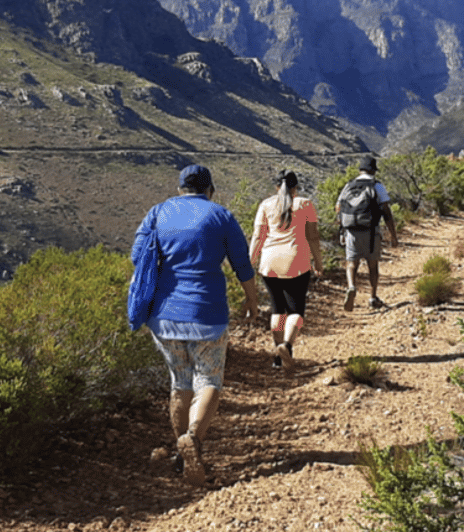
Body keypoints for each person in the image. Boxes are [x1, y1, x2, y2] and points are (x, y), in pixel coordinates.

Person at [132, 164, 260, 487]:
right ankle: (193, 439)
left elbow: (138, 255)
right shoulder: (220, 216)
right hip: (208, 314)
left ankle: (181, 456)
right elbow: (241, 263)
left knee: (180, 382)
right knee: (209, 381)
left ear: (179, 190)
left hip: (164, 316)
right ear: (210, 191)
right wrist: (252, 300)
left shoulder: (158, 213)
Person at [249, 169, 323, 370]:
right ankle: (287, 346)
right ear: (295, 188)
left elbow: (258, 236)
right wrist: (318, 261)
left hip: (269, 262)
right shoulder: (305, 204)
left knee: (277, 308)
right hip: (296, 261)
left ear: (276, 187)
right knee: (296, 310)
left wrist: (251, 260)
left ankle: (278, 356)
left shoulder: (265, 205)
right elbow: (313, 236)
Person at [340, 155, 398, 311]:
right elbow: (386, 211)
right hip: (371, 231)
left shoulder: (349, 185)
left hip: (351, 231)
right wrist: (393, 234)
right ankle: (372, 298)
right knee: (373, 265)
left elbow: (338, 208)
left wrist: (342, 229)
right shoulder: (377, 186)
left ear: (360, 170)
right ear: (373, 170)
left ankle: (351, 286)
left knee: (352, 263)